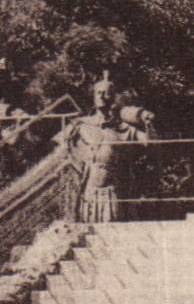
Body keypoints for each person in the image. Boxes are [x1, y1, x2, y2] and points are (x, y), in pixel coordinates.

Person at [59, 73, 146, 222]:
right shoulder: (81, 125)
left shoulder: (122, 128)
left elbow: (150, 142)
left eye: (106, 92)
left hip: (111, 191)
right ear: (93, 96)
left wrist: (147, 122)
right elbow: (59, 145)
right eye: (98, 92)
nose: (101, 96)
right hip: (89, 189)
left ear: (112, 97)